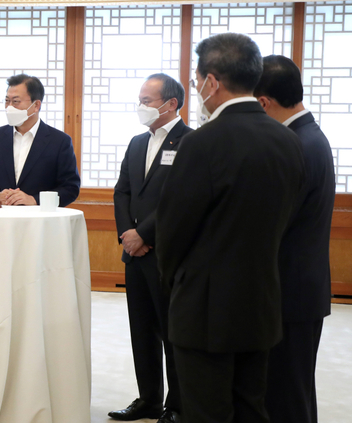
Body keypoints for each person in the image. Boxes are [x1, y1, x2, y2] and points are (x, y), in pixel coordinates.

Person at [156, 33, 305, 423]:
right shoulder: (288, 141)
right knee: (251, 407)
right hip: (261, 303)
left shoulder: (201, 143)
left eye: (197, 79)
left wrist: (177, 283)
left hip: (204, 310)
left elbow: (173, 232)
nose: (197, 86)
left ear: (212, 81)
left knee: (207, 411)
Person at [254, 55, 335, 423]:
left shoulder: (297, 146)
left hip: (291, 290)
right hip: (300, 286)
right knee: (292, 389)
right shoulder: (308, 136)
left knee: (287, 394)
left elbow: (274, 221)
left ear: (263, 102)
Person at [110, 74, 192, 423]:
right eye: (140, 99)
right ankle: (148, 399)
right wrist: (127, 233)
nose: (141, 106)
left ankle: (177, 406)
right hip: (135, 254)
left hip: (167, 253)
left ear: (171, 104)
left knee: (172, 333)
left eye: (147, 100)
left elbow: (182, 199)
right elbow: (122, 192)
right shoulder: (135, 143)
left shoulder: (191, 143)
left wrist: (143, 233)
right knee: (141, 331)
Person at [0, 74, 80, 206]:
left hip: (39, 221)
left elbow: (70, 188)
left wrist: (34, 200)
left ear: (36, 105)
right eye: (7, 101)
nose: (9, 107)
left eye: (16, 101)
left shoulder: (60, 141)